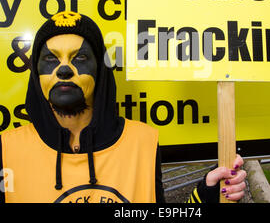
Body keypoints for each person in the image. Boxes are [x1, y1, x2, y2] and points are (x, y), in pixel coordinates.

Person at [0, 11, 246, 203]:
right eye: (51, 59)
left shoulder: (142, 142)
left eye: (80, 58)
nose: (64, 70)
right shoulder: (7, 150)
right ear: (36, 72)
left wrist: (207, 194)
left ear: (101, 70)